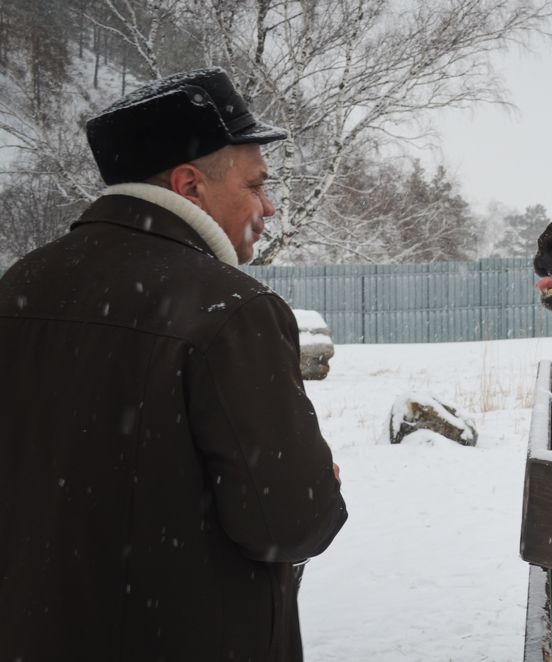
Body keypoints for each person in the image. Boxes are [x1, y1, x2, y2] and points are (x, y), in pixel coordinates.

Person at [0, 68, 347, 661]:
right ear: (190, 185)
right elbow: (291, 523)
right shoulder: (231, 309)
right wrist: (316, 487)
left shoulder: (19, 287)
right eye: (257, 184)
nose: (268, 207)